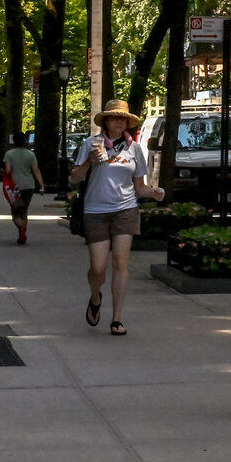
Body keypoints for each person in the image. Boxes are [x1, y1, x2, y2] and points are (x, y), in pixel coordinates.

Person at [70, 99, 163, 335]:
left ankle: (117, 318)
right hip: (96, 211)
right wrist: (91, 160)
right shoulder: (91, 144)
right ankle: (95, 296)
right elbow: (74, 178)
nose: (119, 122)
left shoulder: (134, 149)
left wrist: (153, 192)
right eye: (114, 117)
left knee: (121, 263)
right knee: (98, 268)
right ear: (106, 121)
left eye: (123, 118)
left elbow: (139, 186)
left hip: (125, 210)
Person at [2, 132, 43, 245]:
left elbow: (8, 170)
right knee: (24, 210)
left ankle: (21, 228)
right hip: (29, 185)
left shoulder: (9, 154)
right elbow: (36, 170)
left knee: (15, 212)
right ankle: (22, 233)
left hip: (15, 186)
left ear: (13, 141)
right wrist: (41, 185)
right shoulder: (30, 154)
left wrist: (4, 174)